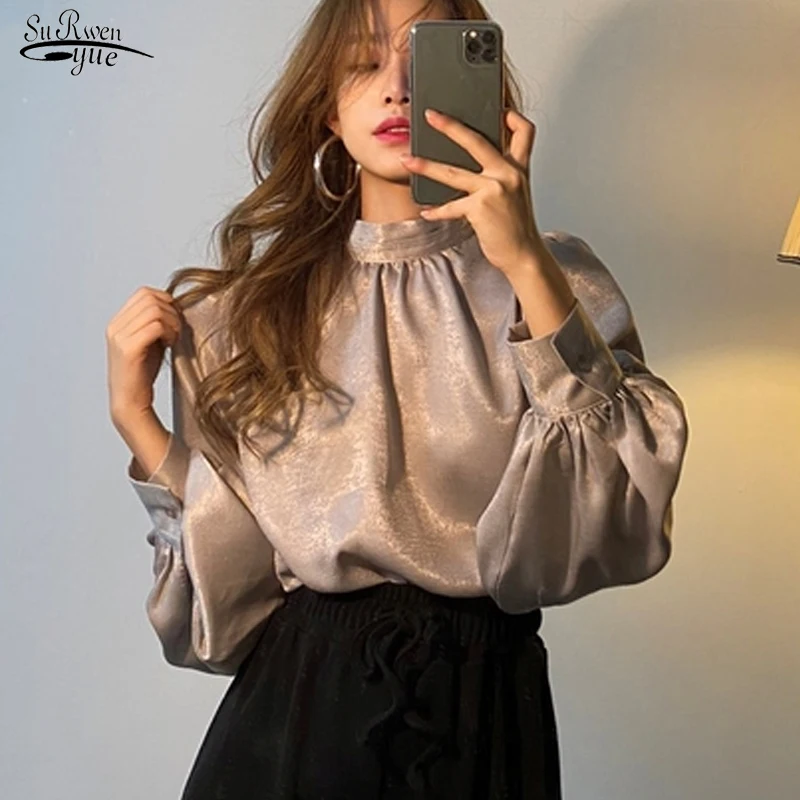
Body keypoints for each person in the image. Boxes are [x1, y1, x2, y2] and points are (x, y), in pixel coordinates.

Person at [106, 0, 690, 797]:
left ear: (484, 89)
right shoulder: (249, 316)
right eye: (363, 62)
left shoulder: (558, 281)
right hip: (294, 724)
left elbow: (612, 526)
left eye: (427, 58)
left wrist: (522, 256)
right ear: (325, 104)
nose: (397, 87)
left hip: (488, 715)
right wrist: (137, 422)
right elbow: (226, 617)